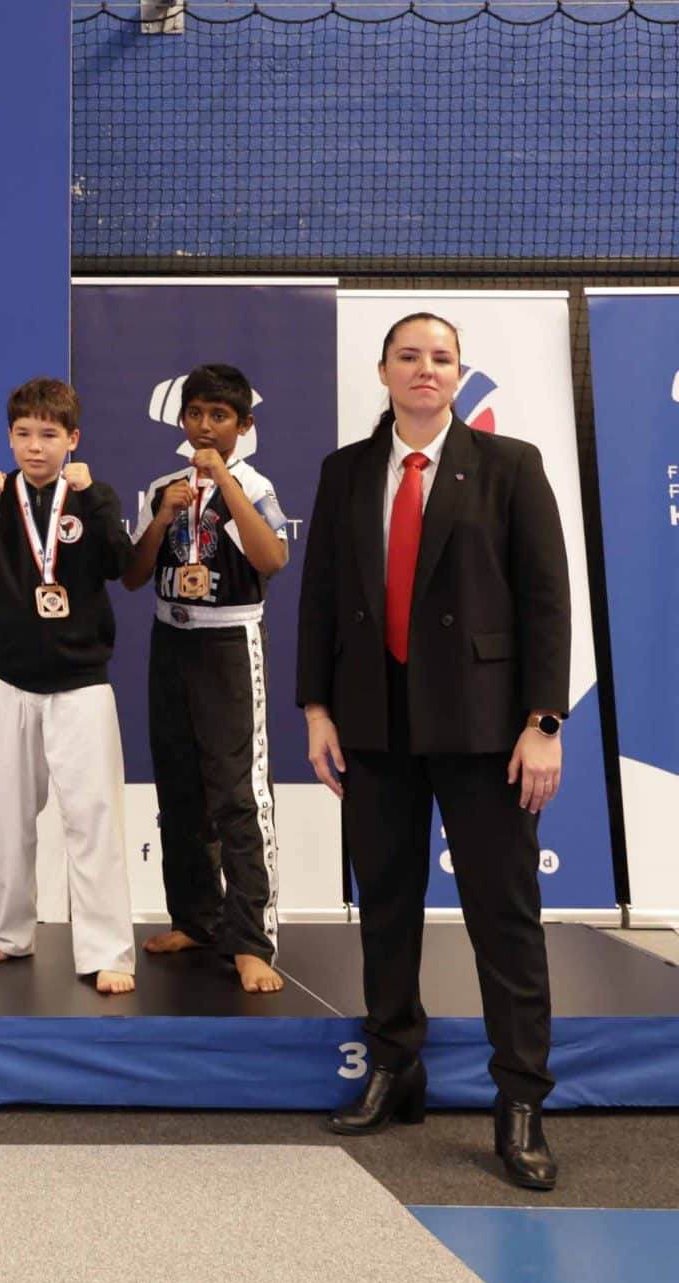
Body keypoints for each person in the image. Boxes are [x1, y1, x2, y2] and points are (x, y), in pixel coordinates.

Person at [296, 312, 568, 1190]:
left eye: (441, 357)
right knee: (385, 907)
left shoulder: (511, 465)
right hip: (373, 726)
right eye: (409, 356)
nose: (425, 368)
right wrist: (317, 709)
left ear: (459, 373)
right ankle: (393, 1065)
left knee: (504, 918)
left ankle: (520, 1098)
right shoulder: (344, 471)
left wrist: (544, 721)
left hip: (487, 730)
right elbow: (319, 598)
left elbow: (546, 599)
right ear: (382, 371)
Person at [0, 377, 138, 995]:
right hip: (7, 679)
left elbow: (121, 564)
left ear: (72, 439)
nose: (35, 447)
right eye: (24, 434)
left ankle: (107, 951)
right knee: (10, 814)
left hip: (81, 683)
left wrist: (94, 500)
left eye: (49, 435)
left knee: (94, 816)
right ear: (9, 438)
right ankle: (11, 932)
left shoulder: (92, 496)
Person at [120, 363, 290, 993]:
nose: (205, 426)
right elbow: (133, 576)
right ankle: (196, 918)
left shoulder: (255, 484)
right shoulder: (163, 486)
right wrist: (162, 517)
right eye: (195, 414)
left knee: (239, 794)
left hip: (229, 644)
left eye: (219, 416)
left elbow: (273, 558)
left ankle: (252, 940)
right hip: (171, 640)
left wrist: (225, 484)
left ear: (243, 425)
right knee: (180, 789)